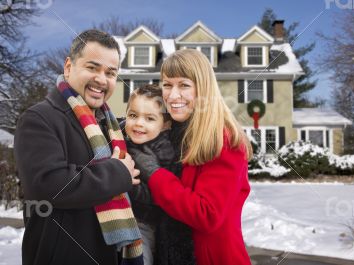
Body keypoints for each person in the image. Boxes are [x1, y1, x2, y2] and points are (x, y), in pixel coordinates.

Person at [14, 29, 143, 265]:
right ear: (68, 66)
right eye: (92, 68)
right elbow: (46, 185)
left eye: (110, 73)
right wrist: (117, 172)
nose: (102, 79)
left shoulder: (112, 127)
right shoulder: (39, 118)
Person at [131, 49, 253, 265]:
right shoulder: (174, 131)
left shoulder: (223, 139)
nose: (173, 95)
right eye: (167, 85)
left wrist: (154, 173)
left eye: (184, 85)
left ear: (203, 88)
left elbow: (207, 215)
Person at [124, 84, 196, 265]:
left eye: (149, 118)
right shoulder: (122, 142)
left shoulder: (165, 152)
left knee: (140, 257)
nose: (139, 123)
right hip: (125, 219)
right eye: (133, 115)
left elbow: (160, 196)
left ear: (165, 125)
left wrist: (129, 185)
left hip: (146, 222)